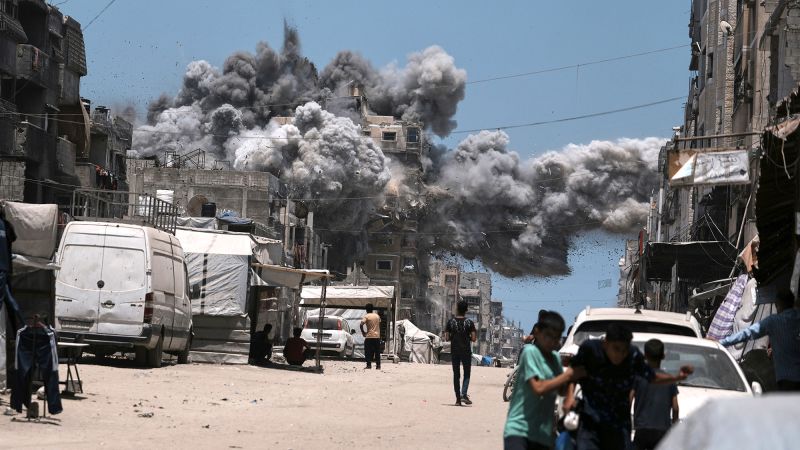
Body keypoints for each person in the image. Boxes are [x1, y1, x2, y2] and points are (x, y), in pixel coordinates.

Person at [564, 324, 692, 450]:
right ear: (606, 343)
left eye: (624, 350)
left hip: (618, 424)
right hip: (591, 421)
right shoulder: (590, 350)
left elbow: (652, 377)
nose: (620, 355)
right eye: (616, 349)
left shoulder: (633, 355)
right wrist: (570, 397)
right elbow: (573, 373)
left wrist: (677, 377)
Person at [503, 311, 583, 450]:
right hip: (519, 430)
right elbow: (538, 388)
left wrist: (572, 382)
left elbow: (562, 390)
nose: (551, 341)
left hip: (543, 435)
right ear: (537, 332)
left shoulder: (555, 358)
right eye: (548, 336)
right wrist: (568, 374)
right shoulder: (530, 352)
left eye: (556, 338)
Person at [717, 291, 800, 391]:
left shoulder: (774, 321)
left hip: (786, 379)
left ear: (778, 304)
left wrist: (721, 342)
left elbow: (747, 333)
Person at [630, 339, 679, 450]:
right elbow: (675, 407)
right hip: (662, 431)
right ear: (663, 356)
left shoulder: (638, 377)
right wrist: (675, 427)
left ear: (645, 356)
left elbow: (628, 400)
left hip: (642, 429)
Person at [445, 300, 477, 406]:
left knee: (456, 375)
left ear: (457, 309)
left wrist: (454, 337)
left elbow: (446, 338)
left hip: (455, 350)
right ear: (466, 310)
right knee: (466, 373)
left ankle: (458, 400)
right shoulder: (470, 323)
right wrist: (466, 337)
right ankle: (464, 394)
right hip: (466, 350)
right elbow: (474, 338)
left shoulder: (450, 322)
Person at [360, 303, 381, 370]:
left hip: (369, 336)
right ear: (372, 309)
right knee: (377, 351)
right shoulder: (377, 316)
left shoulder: (366, 316)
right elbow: (379, 324)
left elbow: (361, 324)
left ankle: (369, 365)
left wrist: (363, 332)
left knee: (367, 351)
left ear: (366, 309)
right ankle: (378, 366)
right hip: (377, 336)